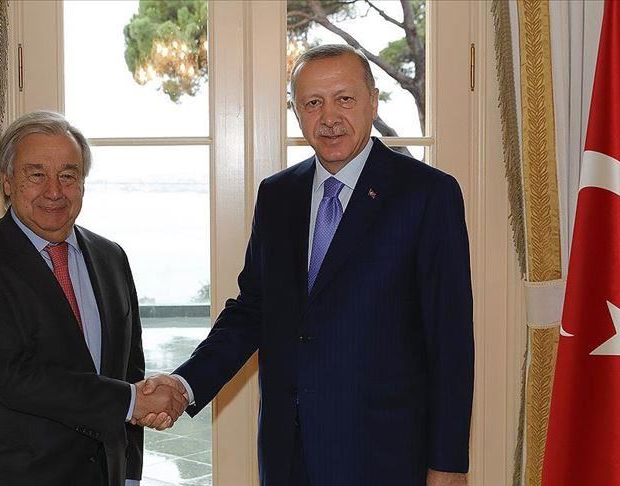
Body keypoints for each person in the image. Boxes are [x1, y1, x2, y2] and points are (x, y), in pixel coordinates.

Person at [145, 44, 474, 486]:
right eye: (313, 103)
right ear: (297, 112)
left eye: (344, 99)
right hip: (288, 457)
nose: (329, 117)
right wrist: (184, 385)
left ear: (373, 102)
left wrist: (448, 464)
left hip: (386, 459)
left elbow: (451, 340)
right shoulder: (278, 195)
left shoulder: (427, 194)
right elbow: (251, 311)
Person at [0, 111, 187, 486]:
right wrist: (132, 401)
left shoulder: (111, 257)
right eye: (36, 175)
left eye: (68, 176)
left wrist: (129, 473)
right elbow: (15, 377)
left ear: (82, 183)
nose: (54, 191)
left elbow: (128, 370)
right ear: (7, 181)